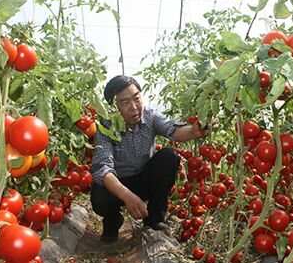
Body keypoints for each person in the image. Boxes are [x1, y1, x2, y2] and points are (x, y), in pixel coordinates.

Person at [90, 75, 210, 243]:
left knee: (169, 156)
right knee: (100, 197)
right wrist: (126, 195)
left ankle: (155, 219)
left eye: (137, 98)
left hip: (143, 180)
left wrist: (192, 131)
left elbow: (173, 130)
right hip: (118, 183)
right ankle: (112, 220)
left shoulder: (150, 116)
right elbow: (102, 168)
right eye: (125, 102)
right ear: (113, 107)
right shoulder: (105, 126)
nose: (134, 107)